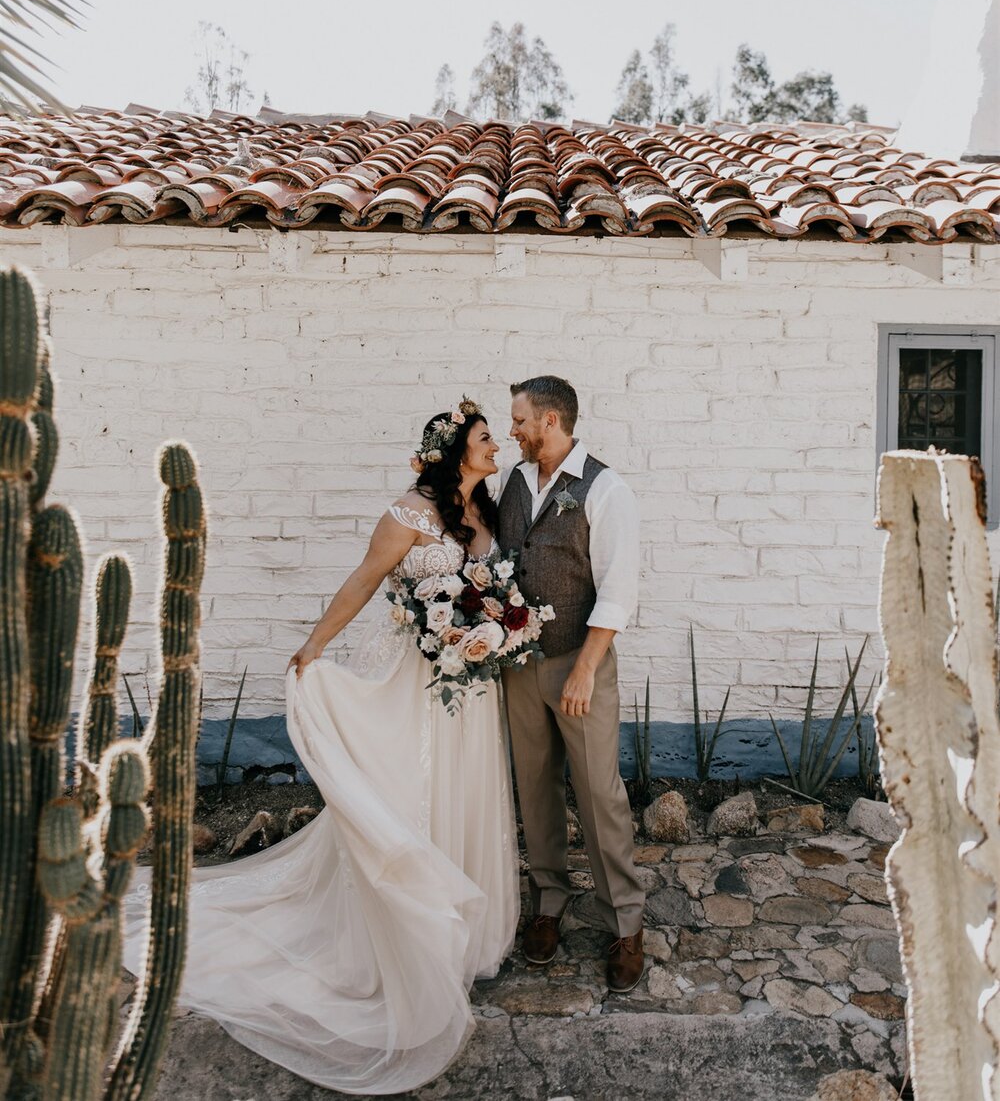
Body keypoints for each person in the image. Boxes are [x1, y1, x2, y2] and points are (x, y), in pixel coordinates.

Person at [122, 401, 518, 1097]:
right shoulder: (407, 515)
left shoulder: (487, 513)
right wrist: (315, 645)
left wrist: (498, 625)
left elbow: (493, 590)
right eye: (486, 438)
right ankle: (403, 937)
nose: (497, 446)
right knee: (408, 793)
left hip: (471, 685)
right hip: (414, 678)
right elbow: (365, 581)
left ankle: (463, 935)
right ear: (455, 450)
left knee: (467, 790)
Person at [497, 375, 646, 992]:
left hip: (578, 662)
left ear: (551, 421)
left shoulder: (605, 488)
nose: (513, 431)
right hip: (517, 664)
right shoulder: (514, 480)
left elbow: (618, 587)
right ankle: (549, 901)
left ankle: (625, 921)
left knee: (598, 792)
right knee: (534, 789)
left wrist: (586, 667)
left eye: (521, 421)